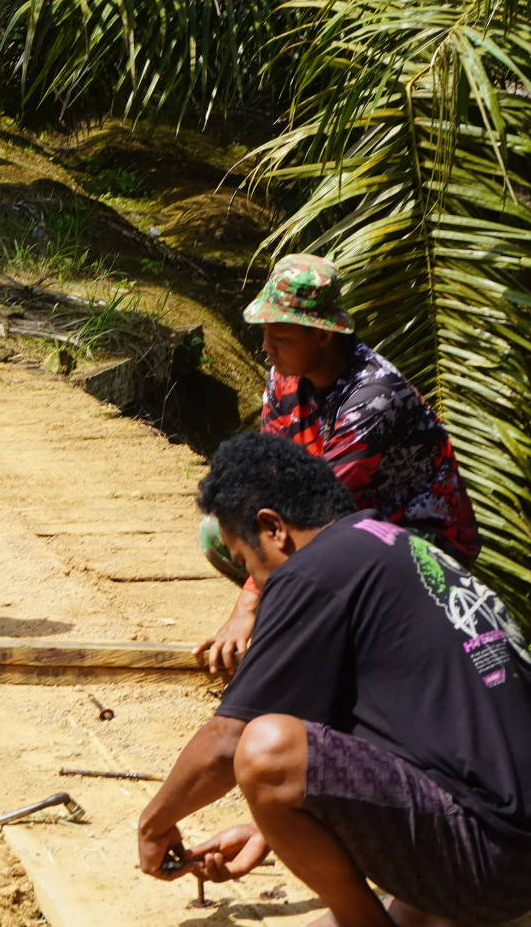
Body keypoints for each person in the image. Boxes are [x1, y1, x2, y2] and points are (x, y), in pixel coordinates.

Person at [140, 432, 531, 927]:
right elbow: (392, 734)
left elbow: (229, 740)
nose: (256, 586)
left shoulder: (314, 571)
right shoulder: (386, 547)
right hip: (506, 844)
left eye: (246, 563)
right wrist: (273, 831)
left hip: (488, 860)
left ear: (273, 529)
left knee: (266, 749)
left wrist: (154, 825)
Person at [196, 253, 479, 674]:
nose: (266, 347)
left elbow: (324, 515)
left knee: (311, 544)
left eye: (282, 337)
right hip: (344, 526)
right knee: (221, 531)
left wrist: (248, 606)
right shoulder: (283, 376)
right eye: (265, 333)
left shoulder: (375, 397)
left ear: (323, 336)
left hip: (413, 541)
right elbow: (267, 477)